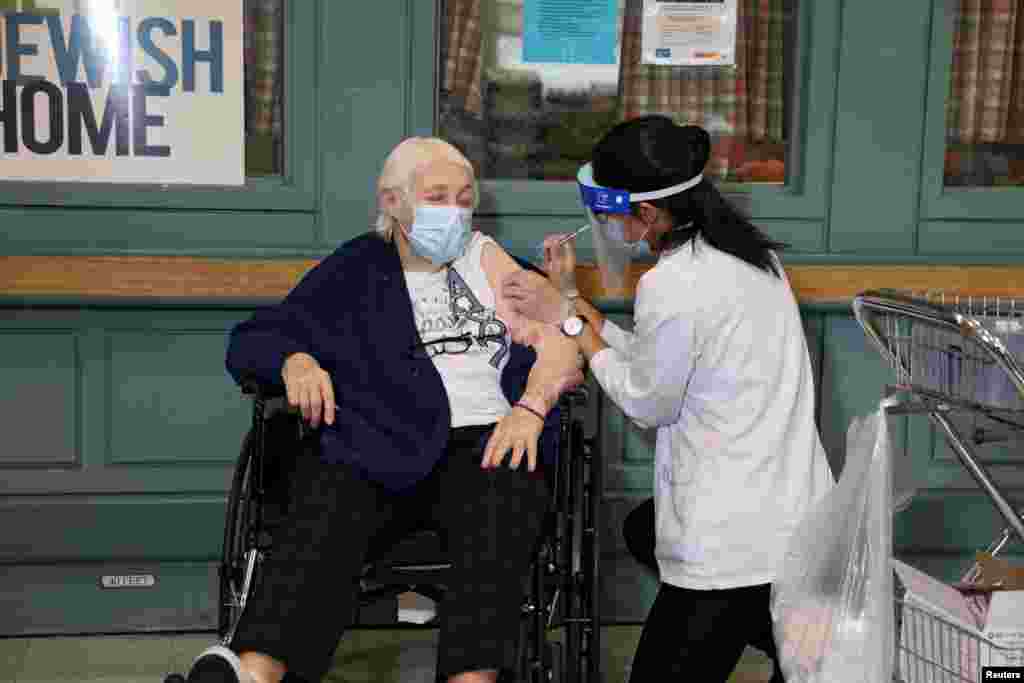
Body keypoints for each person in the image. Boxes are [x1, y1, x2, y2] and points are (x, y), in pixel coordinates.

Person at [182, 137, 583, 683]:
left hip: (487, 438)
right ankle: (253, 673)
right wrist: (295, 361)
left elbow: (565, 339)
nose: (456, 212)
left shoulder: (493, 263)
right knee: (324, 503)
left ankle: (472, 681)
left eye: (465, 199)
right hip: (379, 439)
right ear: (392, 201)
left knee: (504, 500)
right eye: (438, 196)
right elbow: (255, 338)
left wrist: (530, 408)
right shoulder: (357, 269)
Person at [501, 115, 835, 682]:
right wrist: (571, 303)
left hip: (730, 545)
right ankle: (801, 650)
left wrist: (565, 321)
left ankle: (802, 651)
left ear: (649, 214)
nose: (606, 226)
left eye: (611, 214)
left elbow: (648, 400)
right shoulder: (750, 256)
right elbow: (663, 356)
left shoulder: (674, 284)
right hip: (793, 519)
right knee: (643, 530)